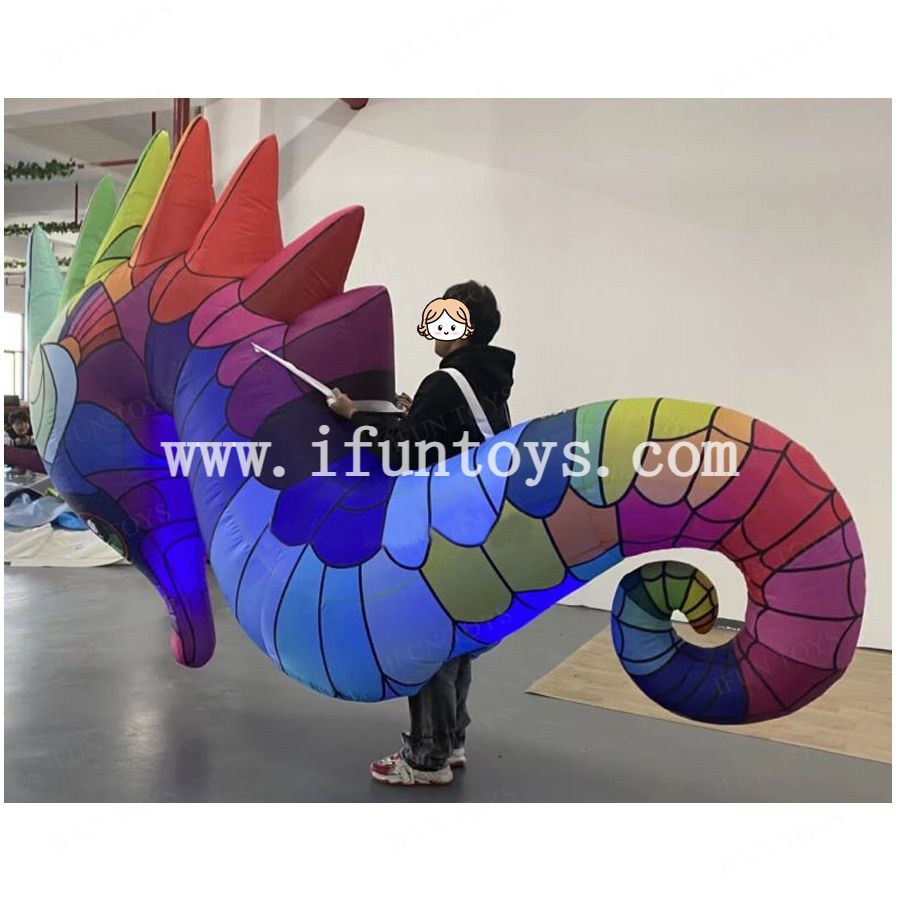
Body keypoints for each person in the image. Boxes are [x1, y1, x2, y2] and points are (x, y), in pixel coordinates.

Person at [328, 280, 516, 786]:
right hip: (482, 528)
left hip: (446, 530)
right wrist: (417, 415)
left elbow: (402, 453)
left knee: (428, 637)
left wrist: (353, 415)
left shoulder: (448, 382)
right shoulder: (485, 382)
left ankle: (427, 758)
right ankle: (451, 741)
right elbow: (453, 440)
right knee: (453, 638)